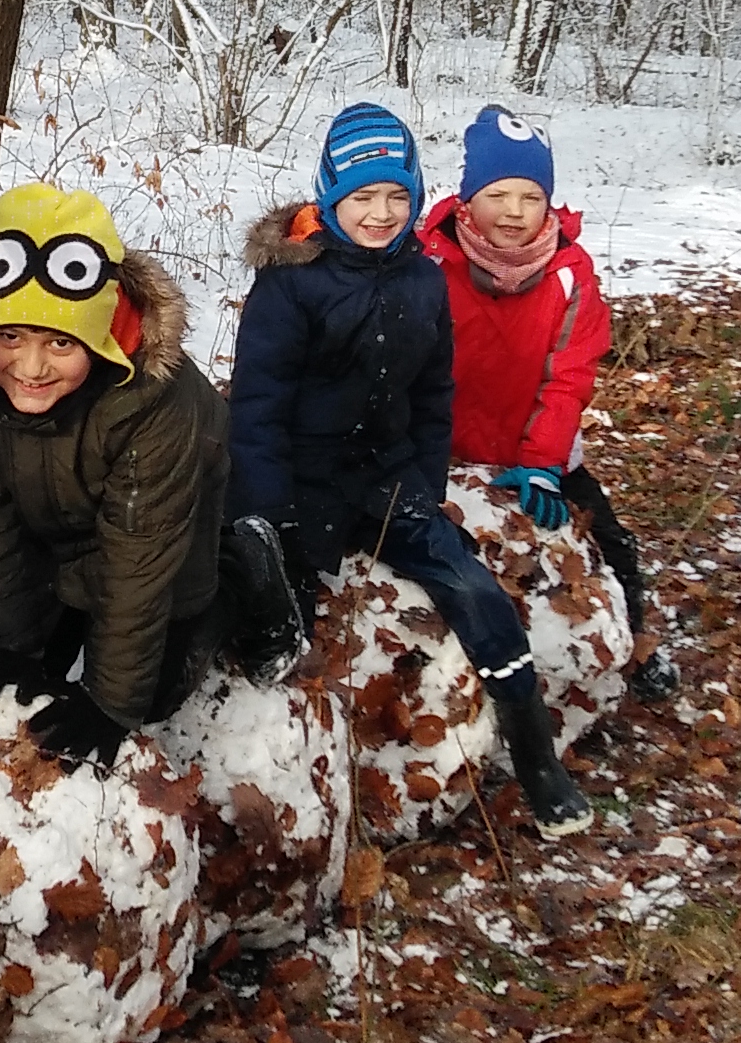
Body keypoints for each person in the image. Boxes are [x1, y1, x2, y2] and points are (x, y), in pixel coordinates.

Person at [231, 102, 585, 832]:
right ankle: (288, 785)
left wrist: (422, 488)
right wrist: (274, 512)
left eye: (398, 196)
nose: (382, 213)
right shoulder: (292, 285)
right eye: (363, 198)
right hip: (306, 480)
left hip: (388, 477)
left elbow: (433, 395)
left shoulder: (423, 280)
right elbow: (258, 407)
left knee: (474, 592)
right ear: (331, 198)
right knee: (273, 622)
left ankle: (535, 752)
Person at [0, 184, 299, 771]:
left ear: (98, 338)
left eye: (61, 342)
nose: (30, 366)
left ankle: (246, 563)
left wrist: (111, 703)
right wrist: (3, 650)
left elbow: (138, 557)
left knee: (155, 690)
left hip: (164, 523)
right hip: (51, 520)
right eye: (9, 336)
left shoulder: (155, 397)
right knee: (26, 673)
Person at [421, 103, 677, 702]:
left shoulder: (570, 274)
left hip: (536, 447)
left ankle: (635, 642)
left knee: (611, 541)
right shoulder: (428, 261)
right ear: (468, 198)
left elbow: (567, 377)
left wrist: (543, 460)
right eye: (498, 193)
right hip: (445, 446)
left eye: (531, 197)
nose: (513, 211)